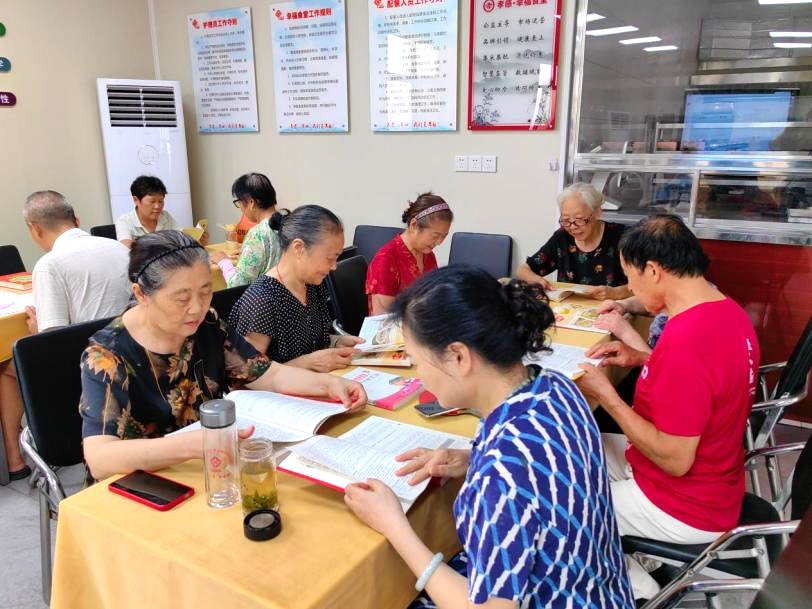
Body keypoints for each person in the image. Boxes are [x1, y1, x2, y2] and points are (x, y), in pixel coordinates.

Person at [344, 266, 634, 609]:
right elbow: (539, 468)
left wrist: (394, 526)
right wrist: (472, 459)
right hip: (601, 592)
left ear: (459, 357)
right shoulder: (556, 386)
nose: (419, 377)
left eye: (416, 361)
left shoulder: (499, 475)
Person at [78, 230, 367, 481]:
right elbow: (100, 458)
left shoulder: (206, 323)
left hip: (211, 466)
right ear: (141, 294)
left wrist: (329, 385)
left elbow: (267, 373)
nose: (196, 308)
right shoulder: (107, 355)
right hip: (142, 484)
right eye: (182, 298)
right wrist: (194, 444)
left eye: (206, 292)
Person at [576, 214, 760, 600]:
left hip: (684, 503)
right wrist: (643, 358)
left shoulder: (687, 340)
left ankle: (635, 587)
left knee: (563, 508)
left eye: (631, 277)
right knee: (577, 448)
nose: (631, 288)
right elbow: (702, 383)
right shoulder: (725, 311)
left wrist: (606, 395)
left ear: (654, 271)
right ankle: (623, 548)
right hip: (716, 480)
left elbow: (675, 460)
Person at [0, 190, 132, 481]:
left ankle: (14, 459)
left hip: (86, 373)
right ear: (76, 220)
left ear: (34, 228)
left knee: (6, 367)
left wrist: (36, 332)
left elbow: (53, 345)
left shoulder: (50, 264)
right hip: (130, 361)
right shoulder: (119, 249)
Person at [229, 205, 364, 372]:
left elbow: (309, 340)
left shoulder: (312, 284)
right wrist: (307, 363)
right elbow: (245, 373)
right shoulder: (262, 299)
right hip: (286, 389)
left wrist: (335, 342)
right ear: (298, 248)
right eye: (330, 258)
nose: (334, 266)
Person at [516, 182, 629, 300]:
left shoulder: (623, 238)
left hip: (613, 308)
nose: (573, 227)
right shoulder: (562, 237)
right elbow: (522, 270)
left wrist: (616, 293)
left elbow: (642, 283)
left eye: (579, 219)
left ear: (597, 212)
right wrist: (537, 280)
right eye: (566, 220)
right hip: (570, 309)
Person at [366, 193, 453, 315]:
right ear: (414, 225)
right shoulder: (386, 260)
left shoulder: (428, 255)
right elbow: (383, 317)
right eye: (435, 236)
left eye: (443, 236)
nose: (439, 242)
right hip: (395, 326)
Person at [210, 173, 282, 288]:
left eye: (239, 202)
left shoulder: (257, 234)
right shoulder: (288, 222)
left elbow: (238, 284)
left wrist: (223, 261)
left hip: (262, 297)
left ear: (251, 202)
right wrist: (246, 253)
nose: (240, 209)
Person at [115, 176, 208, 248]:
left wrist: (196, 240)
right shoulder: (124, 221)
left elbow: (181, 237)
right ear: (136, 200)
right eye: (152, 202)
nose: (157, 206)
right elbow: (126, 245)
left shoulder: (165, 216)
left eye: (161, 201)